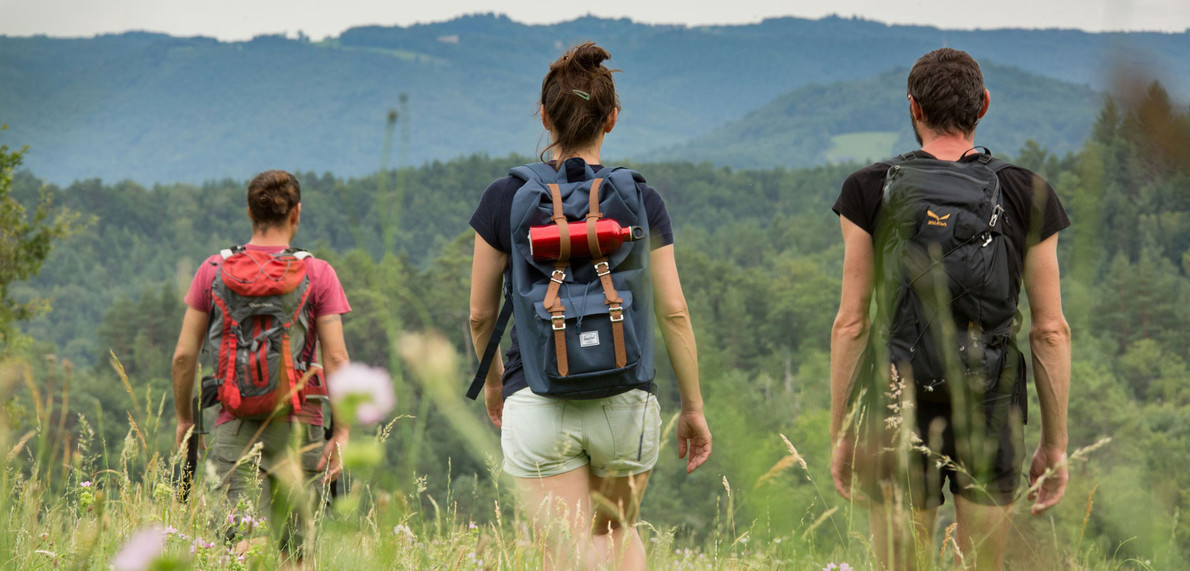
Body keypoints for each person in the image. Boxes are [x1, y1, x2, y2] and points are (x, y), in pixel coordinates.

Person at [468, 42, 712, 570]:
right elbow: (674, 312)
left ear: (544, 115)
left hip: (534, 394)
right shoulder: (642, 199)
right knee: (617, 538)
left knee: (564, 554)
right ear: (613, 119)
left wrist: (494, 388)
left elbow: (480, 315)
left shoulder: (502, 198)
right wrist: (692, 407)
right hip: (626, 396)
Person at [829, 48, 1071, 570]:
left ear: (913, 108)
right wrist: (1055, 443)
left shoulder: (868, 189)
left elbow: (851, 324)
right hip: (990, 405)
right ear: (983, 105)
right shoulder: (1027, 191)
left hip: (897, 402)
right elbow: (1050, 331)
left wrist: (844, 434)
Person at [171, 169, 351, 563]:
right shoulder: (318, 273)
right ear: (296, 214)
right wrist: (342, 430)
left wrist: (185, 420)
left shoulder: (212, 271)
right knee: (296, 554)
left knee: (241, 548)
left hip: (233, 424)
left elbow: (184, 356)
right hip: (301, 427)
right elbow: (336, 358)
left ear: (250, 213)